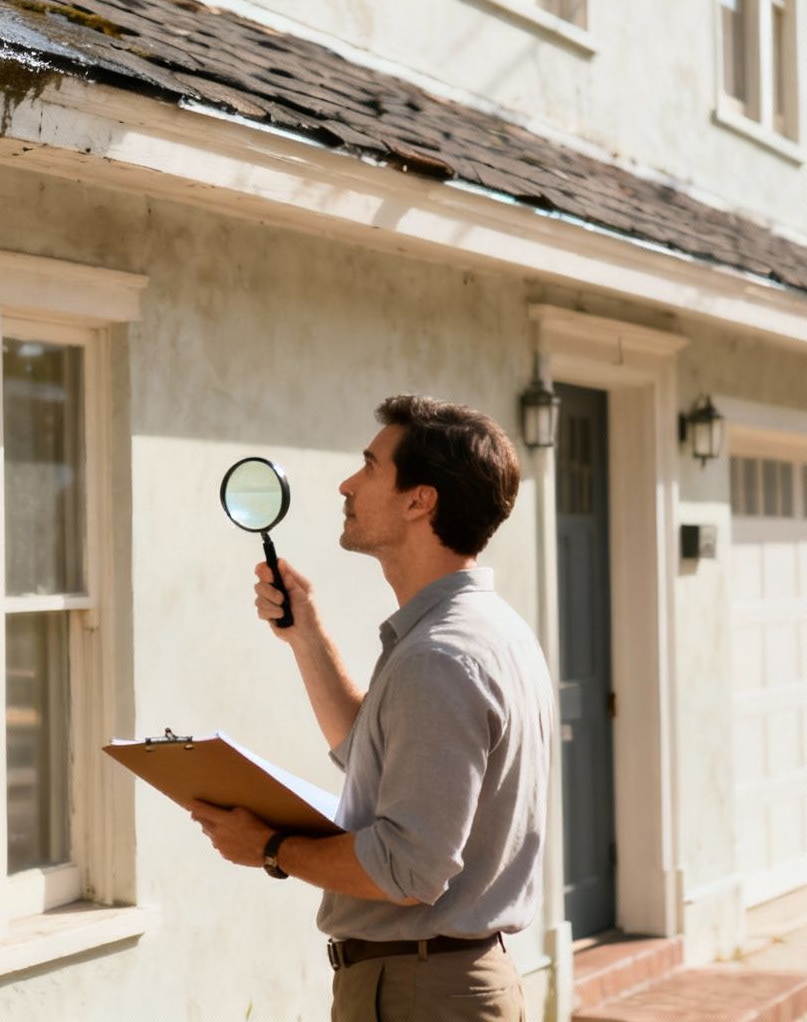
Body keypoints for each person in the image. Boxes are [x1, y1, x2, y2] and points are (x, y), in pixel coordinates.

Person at [185, 395, 553, 1022]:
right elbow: (368, 751)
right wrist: (307, 636)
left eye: (369, 466)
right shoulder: (483, 631)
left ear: (420, 500)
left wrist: (270, 847)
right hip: (434, 980)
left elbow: (408, 870)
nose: (346, 484)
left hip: (419, 992)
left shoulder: (439, 658)